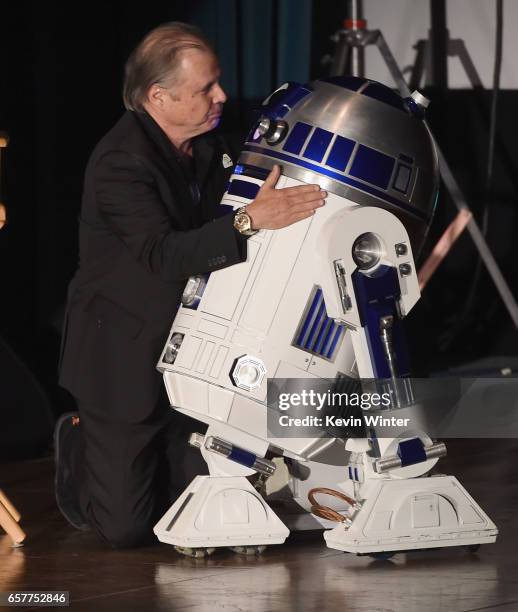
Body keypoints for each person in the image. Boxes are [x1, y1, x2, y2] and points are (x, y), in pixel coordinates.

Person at [55, 22, 326, 548]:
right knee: (127, 531)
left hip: (194, 351)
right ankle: (78, 448)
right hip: (123, 357)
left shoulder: (207, 146)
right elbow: (163, 254)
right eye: (206, 88)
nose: (221, 96)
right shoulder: (120, 162)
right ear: (160, 96)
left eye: (217, 82)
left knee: (205, 515)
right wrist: (249, 221)